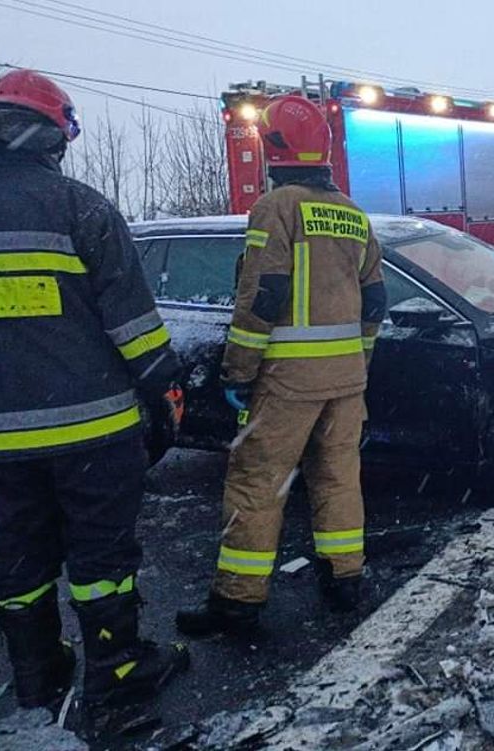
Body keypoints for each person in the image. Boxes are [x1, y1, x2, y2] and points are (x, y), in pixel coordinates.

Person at [0, 70, 190, 728]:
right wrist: (167, 388)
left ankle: (38, 683)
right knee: (101, 563)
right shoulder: (80, 208)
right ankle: (117, 684)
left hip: (1, 445)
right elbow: (134, 327)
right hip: (91, 435)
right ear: (53, 134)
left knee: (19, 562)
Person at [176, 95, 386, 636]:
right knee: (339, 479)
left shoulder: (276, 209)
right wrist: (357, 365)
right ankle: (345, 581)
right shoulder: (354, 215)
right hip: (346, 380)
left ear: (274, 151)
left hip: (287, 380)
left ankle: (237, 603)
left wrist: (238, 373)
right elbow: (375, 303)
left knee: (256, 483)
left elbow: (261, 297)